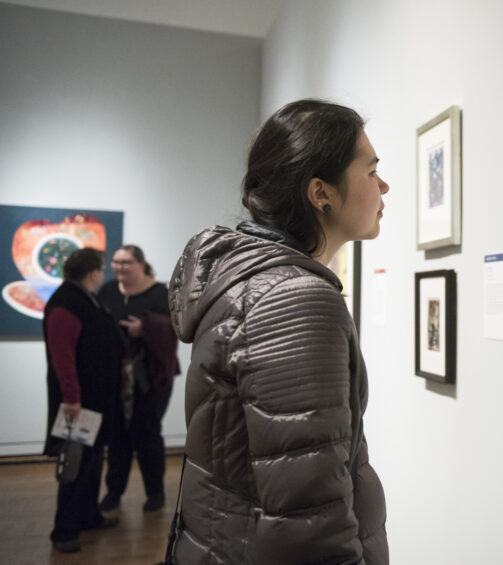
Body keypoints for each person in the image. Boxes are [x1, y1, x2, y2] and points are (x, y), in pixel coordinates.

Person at [165, 99, 390, 564]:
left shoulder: (252, 280)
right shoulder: (294, 299)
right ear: (320, 193)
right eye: (371, 171)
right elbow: (309, 521)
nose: (384, 185)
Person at [42, 248, 122, 553]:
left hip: (96, 401)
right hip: (79, 404)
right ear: (92, 272)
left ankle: (89, 516)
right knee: (75, 466)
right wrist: (72, 399)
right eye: (102, 268)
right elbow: (63, 358)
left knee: (91, 463)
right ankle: (64, 531)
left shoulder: (86, 298)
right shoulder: (65, 303)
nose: (104, 273)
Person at [97, 245, 179, 513]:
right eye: (116, 262)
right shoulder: (108, 291)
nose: (119, 267)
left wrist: (145, 329)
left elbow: (175, 329)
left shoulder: (159, 293)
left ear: (141, 264)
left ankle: (155, 493)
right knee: (116, 434)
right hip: (115, 375)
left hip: (152, 376)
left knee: (147, 433)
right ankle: (114, 492)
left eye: (126, 262)